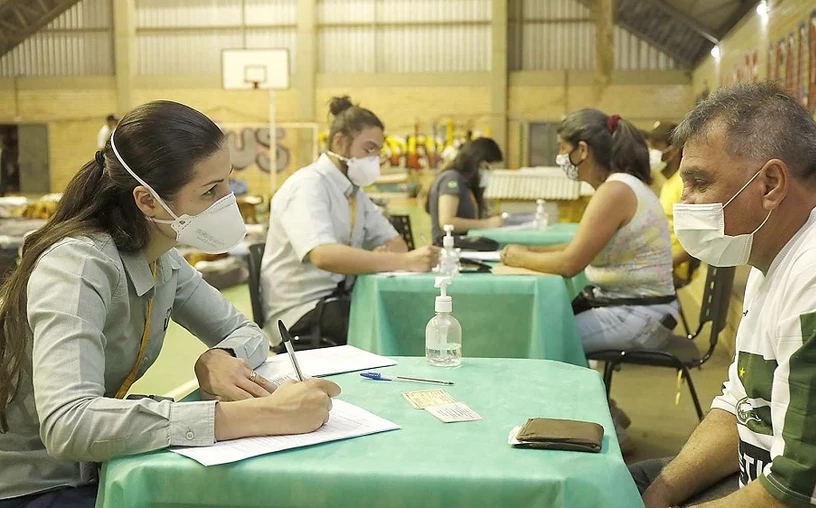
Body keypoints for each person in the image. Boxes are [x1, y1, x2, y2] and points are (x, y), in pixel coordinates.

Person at [0, 100, 341, 507]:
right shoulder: (77, 267)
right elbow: (68, 424)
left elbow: (245, 332)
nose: (226, 201)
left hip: (96, 467)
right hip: (36, 486)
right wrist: (266, 415)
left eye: (227, 183)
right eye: (209, 191)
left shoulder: (161, 258)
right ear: (147, 201)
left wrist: (218, 357)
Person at [632, 82, 816, 508]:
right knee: (612, 483)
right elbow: (742, 406)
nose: (685, 203)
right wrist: (660, 494)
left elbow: (807, 495)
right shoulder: (774, 250)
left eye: (699, 183)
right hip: (761, 479)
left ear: (771, 183)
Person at [261, 96, 439, 349]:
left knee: (407, 310)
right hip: (302, 311)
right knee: (400, 324)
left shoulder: (354, 193)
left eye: (378, 151)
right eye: (368, 149)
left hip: (339, 299)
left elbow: (395, 243)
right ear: (339, 142)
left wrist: (385, 257)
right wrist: (404, 262)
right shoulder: (307, 186)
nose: (374, 159)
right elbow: (323, 255)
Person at [501, 111, 678, 354]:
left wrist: (515, 257)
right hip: (637, 310)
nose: (560, 157)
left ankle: (567, 392)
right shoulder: (620, 185)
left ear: (582, 150)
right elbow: (579, 245)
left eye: (563, 149)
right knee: (543, 328)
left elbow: (569, 264)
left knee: (538, 340)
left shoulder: (615, 191)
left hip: (639, 316)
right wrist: (530, 251)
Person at [426, 137, 505, 244]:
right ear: (475, 161)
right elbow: (447, 221)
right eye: (486, 167)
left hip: (465, 242)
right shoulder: (451, 179)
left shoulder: (467, 184)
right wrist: (487, 224)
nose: (488, 172)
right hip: (448, 246)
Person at [648, 121, 696, 284]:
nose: (651, 153)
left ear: (673, 150)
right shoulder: (669, 183)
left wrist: (662, 266)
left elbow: (696, 243)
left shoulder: (683, 185)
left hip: (675, 270)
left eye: (655, 146)